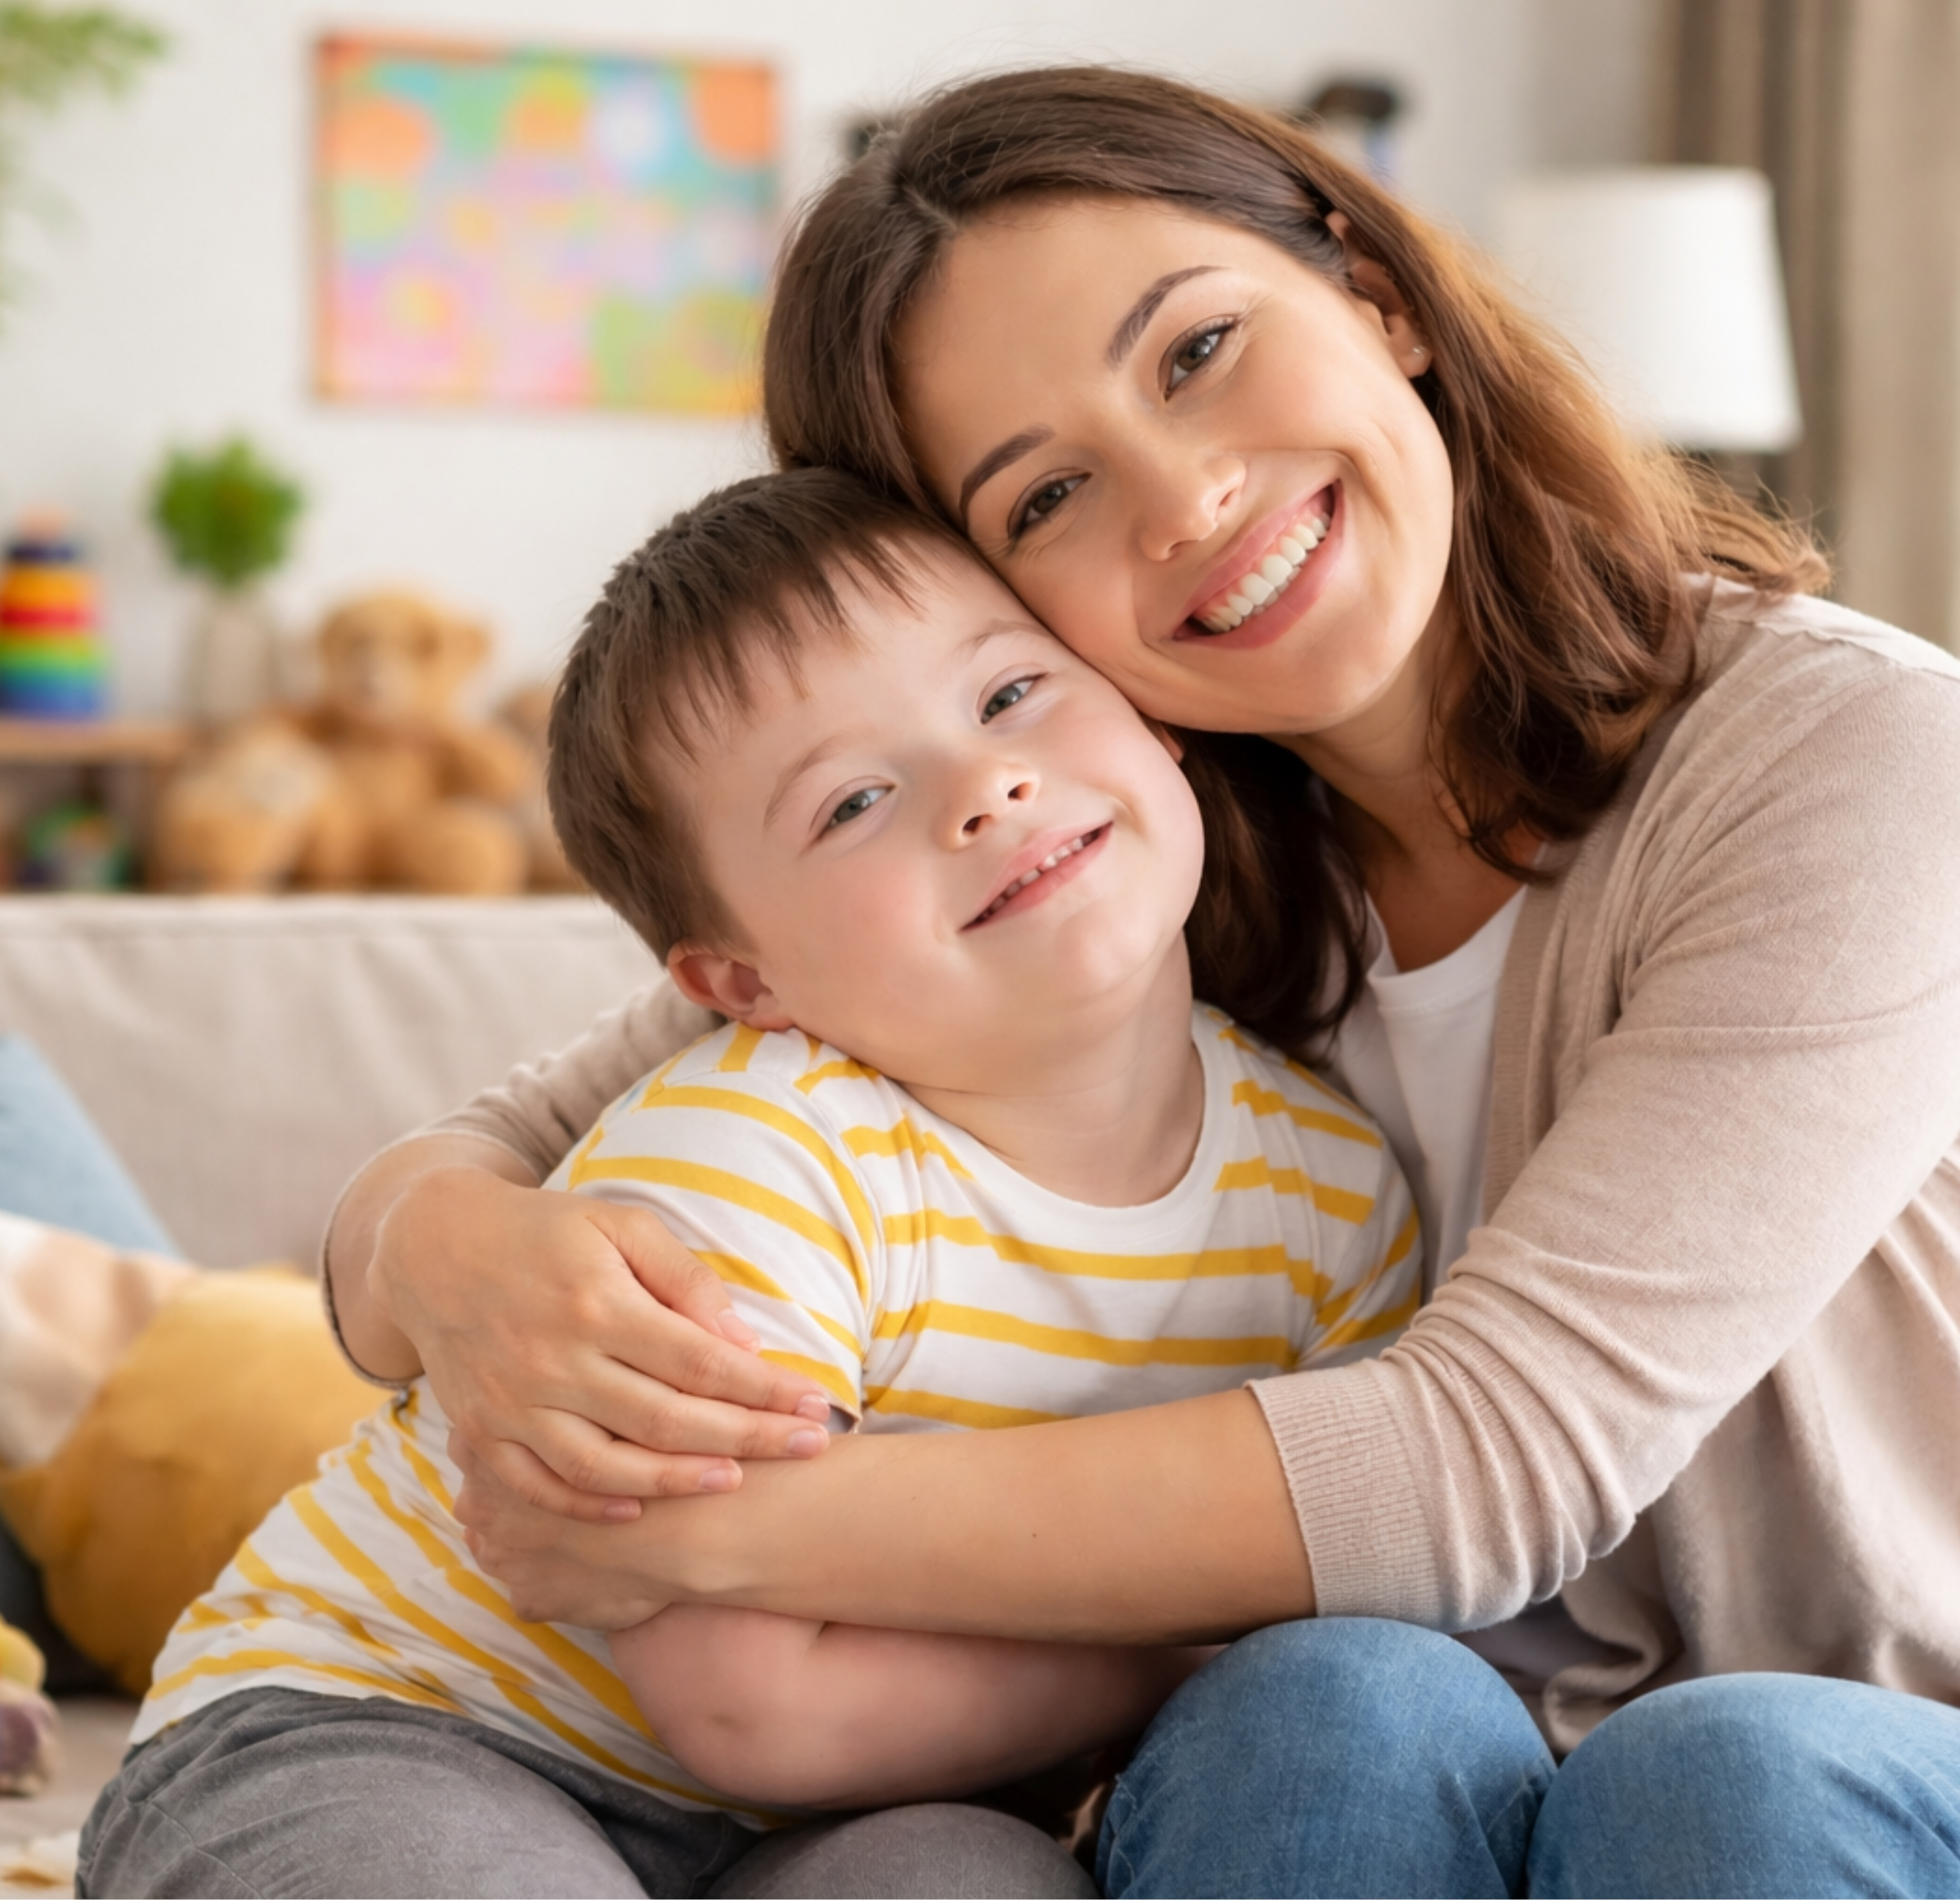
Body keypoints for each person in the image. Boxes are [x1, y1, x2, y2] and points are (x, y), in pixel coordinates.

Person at [331, 68, 1960, 1900]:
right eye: (1044, 498)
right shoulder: (1098, 855)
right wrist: (452, 1270)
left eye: (1200, 351)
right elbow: (489, 1146)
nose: (1183, 498)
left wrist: (717, 1531)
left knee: (1717, 1782)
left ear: (1369, 285)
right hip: (1443, 1780)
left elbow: (1494, 1462)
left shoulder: (1847, 762)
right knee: (1327, 1704)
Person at [81, 470, 1424, 1899]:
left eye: (1013, 693)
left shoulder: (1332, 1197)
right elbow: (756, 1703)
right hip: (394, 1722)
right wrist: (1187, 1648)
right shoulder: (757, 1152)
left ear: (1151, 713)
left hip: (826, 1817)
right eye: (853, 801)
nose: (985, 788)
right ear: (742, 982)